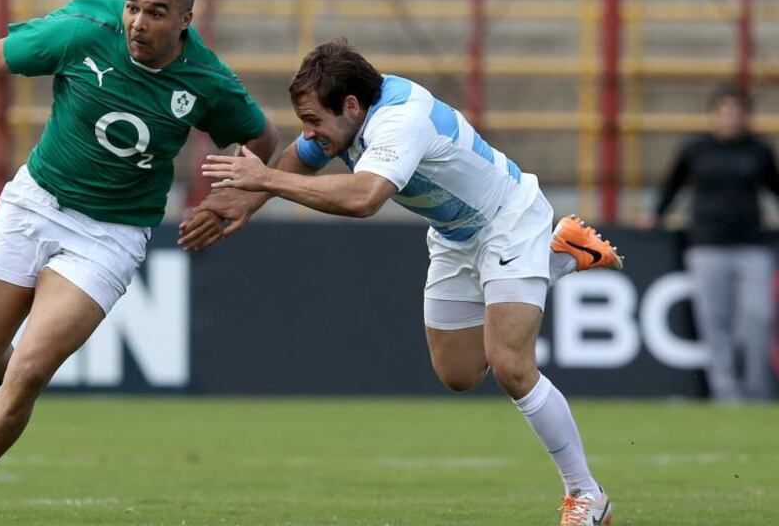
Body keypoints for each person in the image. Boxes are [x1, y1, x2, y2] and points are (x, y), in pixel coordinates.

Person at [0, 0, 278, 525]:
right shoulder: (83, 31)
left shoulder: (208, 82)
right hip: (34, 204)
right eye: (133, 6)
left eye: (157, 12)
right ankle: (26, 380)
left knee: (25, 376)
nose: (139, 22)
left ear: (187, 20)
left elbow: (261, 137)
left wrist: (240, 198)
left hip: (111, 235)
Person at [199, 39, 621, 526]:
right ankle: (560, 256)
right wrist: (242, 205)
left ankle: (586, 494)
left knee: (511, 366)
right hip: (455, 235)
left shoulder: (400, 119)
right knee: (459, 373)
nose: (310, 132)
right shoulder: (348, 116)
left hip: (510, 219)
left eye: (314, 120)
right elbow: (302, 157)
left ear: (351, 106)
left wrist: (265, 182)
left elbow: (364, 199)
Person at [652, 83, 778, 402]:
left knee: (757, 318)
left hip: (751, 244)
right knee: (714, 321)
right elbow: (673, 186)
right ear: (713, 115)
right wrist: (656, 215)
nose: (730, 118)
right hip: (706, 244)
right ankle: (726, 391)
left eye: (736, 112)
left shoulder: (758, 151)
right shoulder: (696, 150)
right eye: (724, 112)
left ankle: (757, 388)